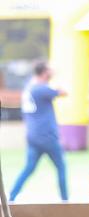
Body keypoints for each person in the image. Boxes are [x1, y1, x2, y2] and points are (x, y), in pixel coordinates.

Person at [10, 61, 68, 202]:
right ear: (44, 73)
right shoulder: (41, 89)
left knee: (29, 168)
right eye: (49, 70)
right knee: (61, 166)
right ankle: (65, 200)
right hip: (47, 135)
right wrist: (53, 79)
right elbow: (64, 92)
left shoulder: (29, 88)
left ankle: (12, 196)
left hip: (33, 135)